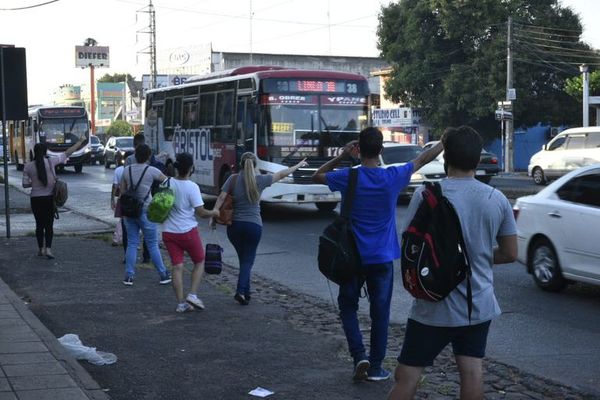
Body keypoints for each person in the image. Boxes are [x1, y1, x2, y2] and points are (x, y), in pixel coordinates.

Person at [387, 126, 517, 400]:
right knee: (471, 373)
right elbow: (510, 253)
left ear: (445, 159)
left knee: (407, 375)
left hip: (431, 305)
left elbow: (411, 245)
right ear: (477, 160)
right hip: (477, 306)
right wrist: (475, 255)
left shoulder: (426, 195)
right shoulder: (497, 200)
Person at [312, 127, 443, 382]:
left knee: (348, 306)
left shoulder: (348, 177)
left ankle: (358, 354)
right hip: (382, 258)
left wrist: (342, 156)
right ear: (381, 150)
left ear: (358, 149)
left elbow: (318, 176)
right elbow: (423, 158)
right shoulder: (392, 176)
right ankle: (375, 367)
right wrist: (445, 141)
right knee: (380, 313)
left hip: (352, 257)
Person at [210, 152, 307, 305]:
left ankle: (246, 293)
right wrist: (299, 165)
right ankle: (241, 291)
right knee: (248, 261)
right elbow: (282, 174)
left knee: (244, 259)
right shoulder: (260, 180)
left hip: (234, 226)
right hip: (253, 226)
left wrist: (213, 216)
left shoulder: (232, 179)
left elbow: (221, 198)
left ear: (241, 164)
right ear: (255, 165)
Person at [161, 152, 220, 313]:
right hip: (187, 232)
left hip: (168, 232)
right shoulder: (192, 187)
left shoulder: (167, 183)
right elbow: (201, 212)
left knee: (177, 267)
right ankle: (192, 294)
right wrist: (214, 212)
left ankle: (181, 303)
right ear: (191, 169)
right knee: (200, 261)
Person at [22, 137, 86, 259]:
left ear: (35, 152)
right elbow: (68, 152)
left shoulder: (28, 167)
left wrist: (35, 183)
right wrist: (79, 142)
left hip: (35, 199)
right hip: (49, 199)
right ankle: (48, 250)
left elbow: (24, 185)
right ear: (45, 152)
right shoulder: (51, 161)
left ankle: (40, 249)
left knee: (39, 225)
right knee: (49, 225)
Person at [120, 144, 171, 286]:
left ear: (135, 155)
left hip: (129, 211)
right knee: (152, 243)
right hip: (146, 210)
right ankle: (163, 274)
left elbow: (122, 192)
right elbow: (167, 182)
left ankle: (129, 276)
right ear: (149, 156)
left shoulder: (126, 170)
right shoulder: (152, 171)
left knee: (132, 243)